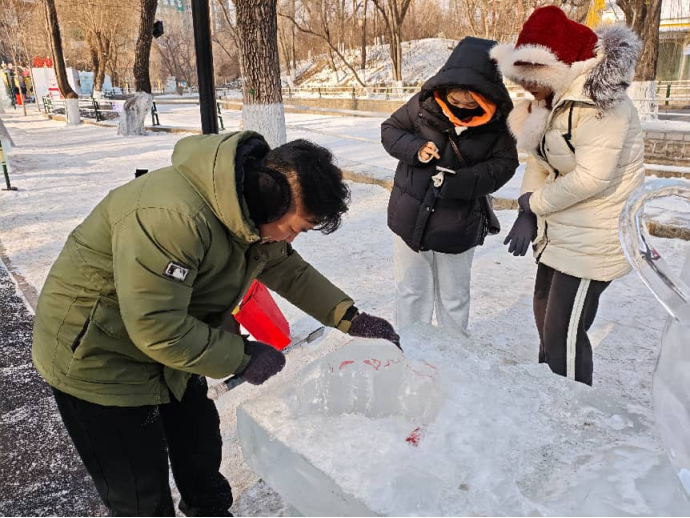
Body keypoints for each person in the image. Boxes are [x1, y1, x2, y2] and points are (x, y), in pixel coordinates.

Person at [32, 133, 399, 517]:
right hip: (99, 356)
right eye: (296, 228)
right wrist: (242, 356)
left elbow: (286, 268)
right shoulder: (174, 218)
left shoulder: (253, 213)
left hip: (176, 342)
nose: (292, 238)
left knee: (200, 451)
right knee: (140, 492)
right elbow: (156, 326)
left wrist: (348, 317)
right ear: (270, 193)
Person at [494, 6, 645, 385]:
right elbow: (539, 159)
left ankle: (575, 407)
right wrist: (527, 209)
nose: (526, 88)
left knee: (564, 331)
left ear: (556, 68)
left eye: (531, 78)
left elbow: (592, 177)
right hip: (561, 229)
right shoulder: (552, 101)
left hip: (594, 234)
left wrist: (535, 204)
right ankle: (550, 394)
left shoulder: (601, 104)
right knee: (544, 317)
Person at [382, 37, 519, 336]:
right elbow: (390, 130)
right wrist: (415, 148)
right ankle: (409, 345)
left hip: (458, 223)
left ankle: (454, 351)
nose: (462, 109)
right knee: (411, 290)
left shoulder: (499, 124)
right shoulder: (423, 105)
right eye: (456, 102)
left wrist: (462, 183)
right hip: (410, 214)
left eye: (471, 104)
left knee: (454, 296)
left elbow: (505, 164)